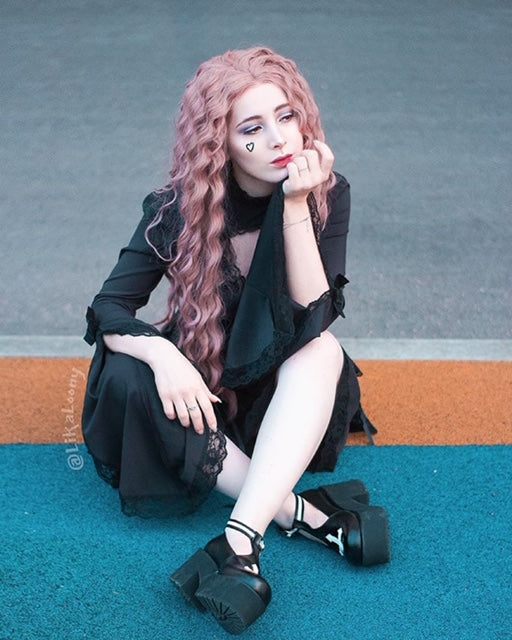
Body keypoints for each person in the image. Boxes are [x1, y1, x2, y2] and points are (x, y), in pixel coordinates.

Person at [82, 46, 389, 634]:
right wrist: (163, 354)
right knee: (127, 370)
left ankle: (239, 539)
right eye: (252, 128)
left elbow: (315, 316)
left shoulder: (327, 192)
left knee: (322, 350)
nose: (278, 139)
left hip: (283, 398)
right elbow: (110, 307)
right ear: (219, 142)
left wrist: (294, 203)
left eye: (286, 116)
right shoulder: (178, 208)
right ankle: (306, 516)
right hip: (206, 391)